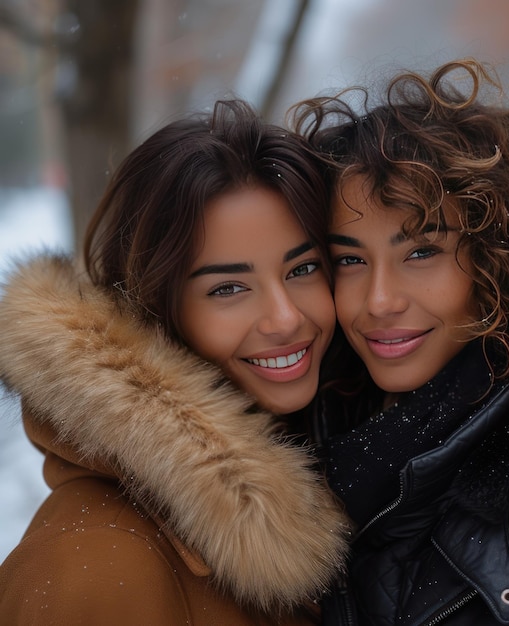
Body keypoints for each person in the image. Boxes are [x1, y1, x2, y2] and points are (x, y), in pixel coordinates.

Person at [294, 59, 509, 624]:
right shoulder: (302, 442)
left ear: (503, 257)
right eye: (349, 259)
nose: (378, 301)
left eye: (421, 252)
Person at [0, 100, 351, 625]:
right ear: (156, 310)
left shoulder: (344, 460)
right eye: (229, 288)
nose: (285, 318)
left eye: (302, 269)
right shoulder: (92, 563)